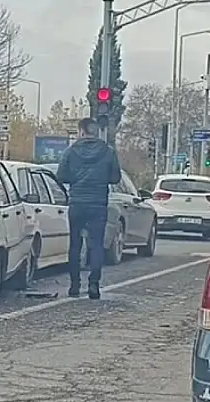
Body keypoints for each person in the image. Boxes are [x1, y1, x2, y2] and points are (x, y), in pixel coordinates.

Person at [56, 118, 121, 300]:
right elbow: (115, 178)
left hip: (77, 203)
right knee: (97, 244)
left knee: (75, 244)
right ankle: (94, 284)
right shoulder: (108, 152)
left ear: (81, 132)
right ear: (96, 132)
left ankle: (74, 285)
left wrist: (76, 179)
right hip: (98, 203)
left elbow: (61, 176)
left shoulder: (71, 151)